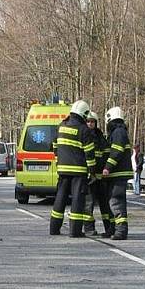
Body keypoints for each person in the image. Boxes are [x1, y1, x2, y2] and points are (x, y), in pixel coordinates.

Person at [49, 100, 96, 238]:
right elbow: (89, 154)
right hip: (78, 171)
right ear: (84, 113)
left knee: (60, 198)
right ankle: (75, 231)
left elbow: (54, 145)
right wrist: (92, 171)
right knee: (77, 199)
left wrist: (59, 162)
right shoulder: (83, 130)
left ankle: (54, 228)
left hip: (63, 170)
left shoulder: (61, 125)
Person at [102, 106, 133, 240]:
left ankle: (121, 230)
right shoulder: (118, 131)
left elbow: (117, 150)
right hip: (117, 173)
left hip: (118, 173)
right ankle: (113, 228)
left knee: (116, 201)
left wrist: (108, 167)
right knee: (112, 201)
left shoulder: (118, 132)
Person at [83, 111, 113, 237]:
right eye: (88, 121)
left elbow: (106, 152)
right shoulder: (83, 135)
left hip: (101, 176)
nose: (90, 124)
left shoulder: (100, 137)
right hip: (89, 176)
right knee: (88, 204)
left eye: (93, 122)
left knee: (104, 204)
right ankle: (89, 228)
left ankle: (109, 228)